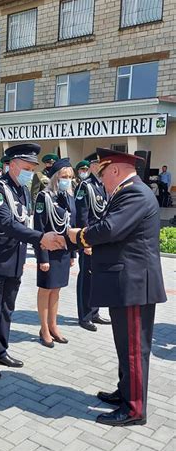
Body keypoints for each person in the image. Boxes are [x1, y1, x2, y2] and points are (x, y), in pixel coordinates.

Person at [68, 148, 166, 427]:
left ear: (114, 170)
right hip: (126, 283)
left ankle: (134, 409)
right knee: (125, 345)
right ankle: (125, 392)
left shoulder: (134, 192)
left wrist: (80, 236)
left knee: (134, 348)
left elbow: (110, 228)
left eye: (102, 175)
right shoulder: (129, 191)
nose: (101, 181)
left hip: (134, 286)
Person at [0, 143, 66, 379]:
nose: (30, 172)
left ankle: (0, 350)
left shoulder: (22, 190)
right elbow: (6, 223)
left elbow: (24, 221)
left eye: (33, 168)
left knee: (7, 309)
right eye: (26, 167)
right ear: (12, 165)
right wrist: (40, 239)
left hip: (14, 259)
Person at [34, 158, 76, 347]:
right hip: (48, 251)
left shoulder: (68, 196)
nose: (67, 180)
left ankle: (53, 326)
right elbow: (39, 228)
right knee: (46, 290)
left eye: (69, 177)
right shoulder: (44, 197)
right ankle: (44, 329)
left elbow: (72, 226)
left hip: (64, 251)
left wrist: (73, 253)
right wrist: (42, 258)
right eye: (64, 177)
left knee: (56, 290)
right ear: (55, 178)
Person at [75, 155, 111, 331]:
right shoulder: (85, 186)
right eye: (101, 164)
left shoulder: (102, 185)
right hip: (88, 240)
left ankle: (94, 312)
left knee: (97, 277)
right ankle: (85, 316)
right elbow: (81, 216)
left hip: (101, 240)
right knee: (87, 278)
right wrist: (85, 242)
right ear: (93, 166)